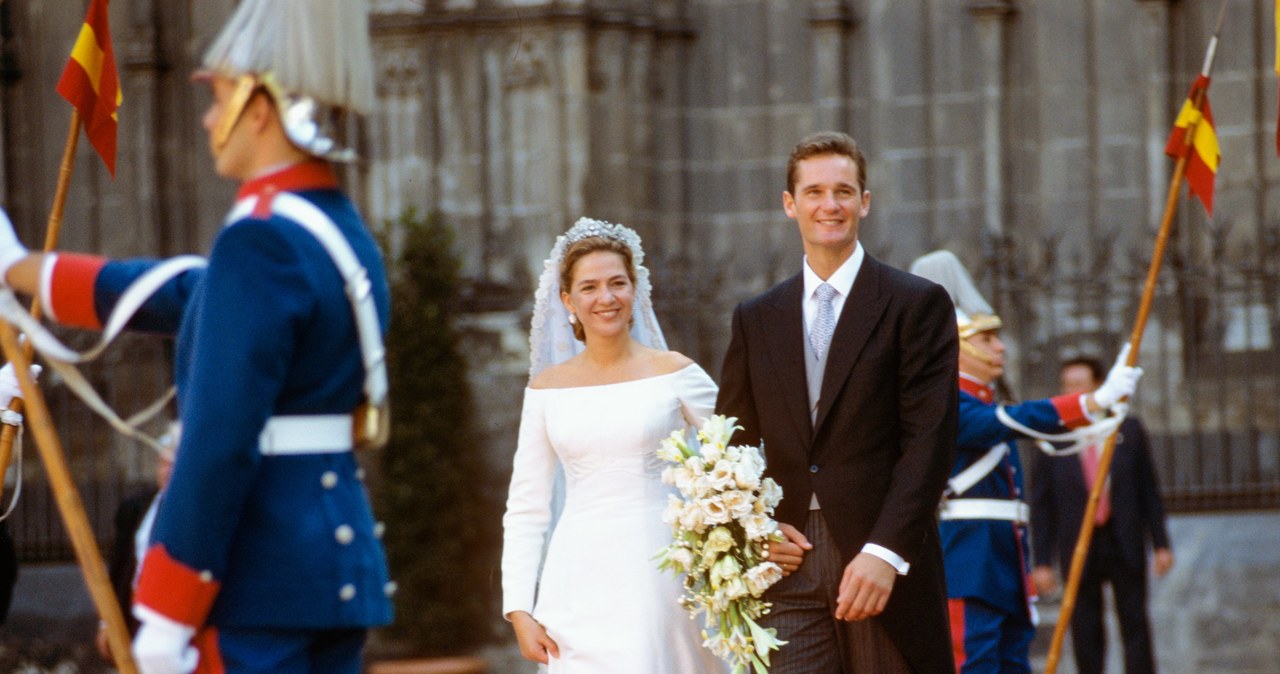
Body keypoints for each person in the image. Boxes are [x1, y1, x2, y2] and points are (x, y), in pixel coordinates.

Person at [0, 1, 392, 672]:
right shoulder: (333, 228)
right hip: (329, 572)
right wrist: (22, 270)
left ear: (259, 109)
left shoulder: (261, 239)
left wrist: (165, 610)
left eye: (217, 101)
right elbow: (192, 291)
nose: (209, 121)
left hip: (254, 581)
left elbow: (217, 441)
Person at [715, 131, 958, 673]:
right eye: (815, 192)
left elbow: (931, 439)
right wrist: (755, 527)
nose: (830, 205)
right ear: (790, 204)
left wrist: (886, 552)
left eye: (844, 191)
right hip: (784, 563)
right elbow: (734, 438)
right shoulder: (756, 317)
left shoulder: (916, 304)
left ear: (864, 202)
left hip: (878, 561)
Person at [501, 218, 728, 673]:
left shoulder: (676, 372)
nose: (605, 298)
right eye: (588, 287)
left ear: (634, 288)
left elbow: (738, 460)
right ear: (567, 301)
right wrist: (518, 607)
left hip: (662, 572)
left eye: (617, 283)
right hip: (575, 581)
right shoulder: (547, 390)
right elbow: (527, 506)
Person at [910, 250, 1143, 673]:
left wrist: (1103, 411)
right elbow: (1011, 421)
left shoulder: (984, 399)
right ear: (955, 345)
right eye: (987, 339)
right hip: (968, 561)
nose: (1000, 347)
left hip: (1002, 561)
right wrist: (1092, 401)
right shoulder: (941, 401)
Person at [1031, 356, 1174, 674]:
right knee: (1085, 628)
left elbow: (1148, 490)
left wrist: (1161, 544)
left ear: (1099, 386)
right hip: (1077, 544)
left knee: (1135, 623)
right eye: (1067, 386)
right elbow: (1041, 504)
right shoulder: (1053, 435)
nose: (1073, 392)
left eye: (1080, 385)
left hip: (1123, 539)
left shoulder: (1128, 429)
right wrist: (1042, 561)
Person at [95, 424, 176, 663]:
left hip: (174, 615)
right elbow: (119, 568)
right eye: (163, 463)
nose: (168, 471)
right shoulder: (136, 506)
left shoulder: (199, 510)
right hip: (136, 613)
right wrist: (107, 622)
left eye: (175, 464)